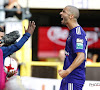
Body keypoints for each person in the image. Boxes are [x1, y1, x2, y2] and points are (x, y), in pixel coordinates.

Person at [58, 5, 87, 90]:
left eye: (64, 11)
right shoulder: (72, 32)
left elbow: (81, 56)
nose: (61, 13)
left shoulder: (78, 34)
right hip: (68, 78)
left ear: (71, 16)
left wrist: (67, 71)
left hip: (73, 79)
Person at [0, 21, 36, 89]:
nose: (3, 39)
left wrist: (6, 75)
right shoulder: (2, 51)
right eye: (1, 37)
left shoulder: (2, 50)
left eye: (3, 37)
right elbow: (17, 46)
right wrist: (27, 35)